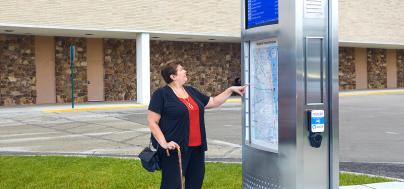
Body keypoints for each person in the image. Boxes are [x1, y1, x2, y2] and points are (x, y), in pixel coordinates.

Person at [147, 62, 246, 189]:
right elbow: (152, 121)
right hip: (175, 150)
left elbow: (214, 102)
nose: (185, 71)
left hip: (197, 148)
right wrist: (164, 143)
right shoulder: (161, 94)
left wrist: (230, 90)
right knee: (172, 185)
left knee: (195, 183)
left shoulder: (191, 91)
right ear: (173, 76)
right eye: (181, 69)